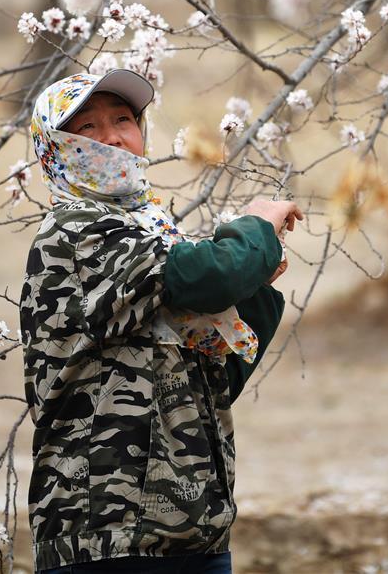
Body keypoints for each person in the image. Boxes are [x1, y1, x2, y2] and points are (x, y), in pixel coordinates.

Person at [21, 69, 304, 574]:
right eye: (86, 128)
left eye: (124, 120)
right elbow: (210, 275)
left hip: (193, 533)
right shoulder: (77, 232)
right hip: (104, 538)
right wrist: (255, 225)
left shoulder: (153, 235)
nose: (112, 137)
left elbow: (211, 383)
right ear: (54, 149)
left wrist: (256, 283)